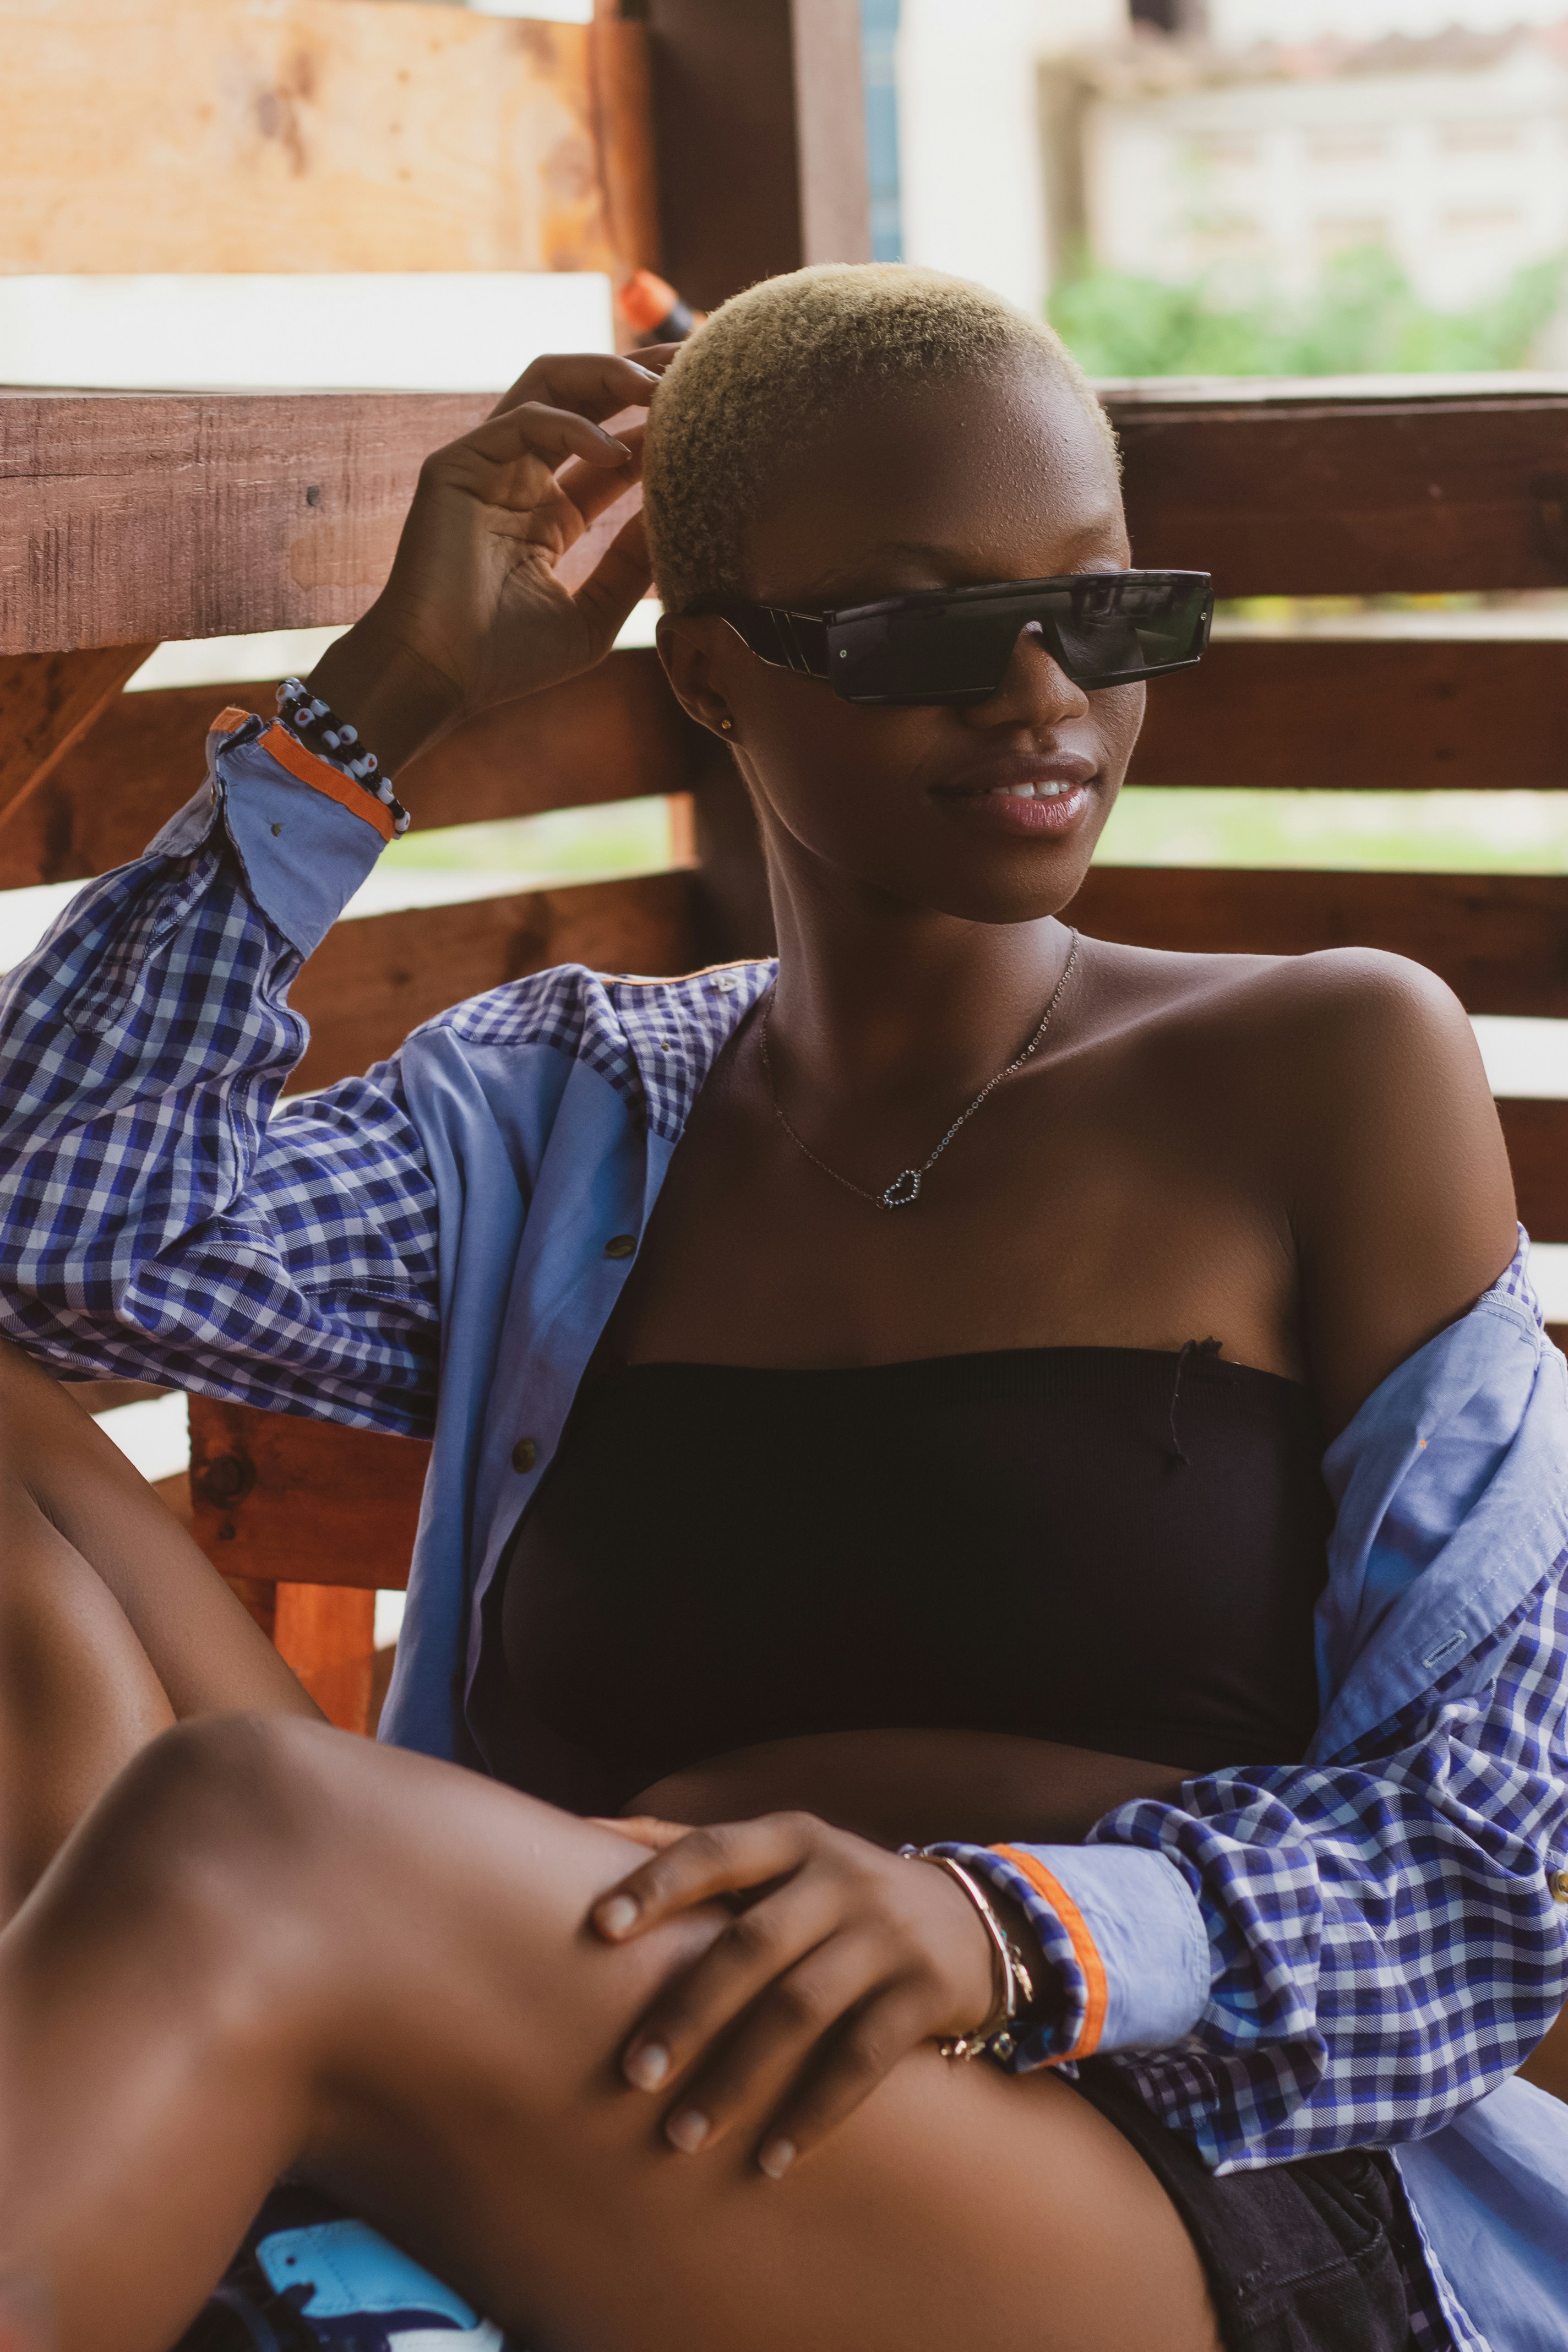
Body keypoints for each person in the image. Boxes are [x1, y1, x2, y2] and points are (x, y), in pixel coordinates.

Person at [1, 264, 1566, 2352]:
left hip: (1147, 2149)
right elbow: (47, 1231)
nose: (1040, 701)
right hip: (583, 2059)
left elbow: (1501, 1846)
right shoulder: (566, 1103)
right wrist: (390, 689)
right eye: (923, 630)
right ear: (715, 679)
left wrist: (996, 1928)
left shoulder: (1330, 1068)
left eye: (1106, 612)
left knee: (235, 1825)